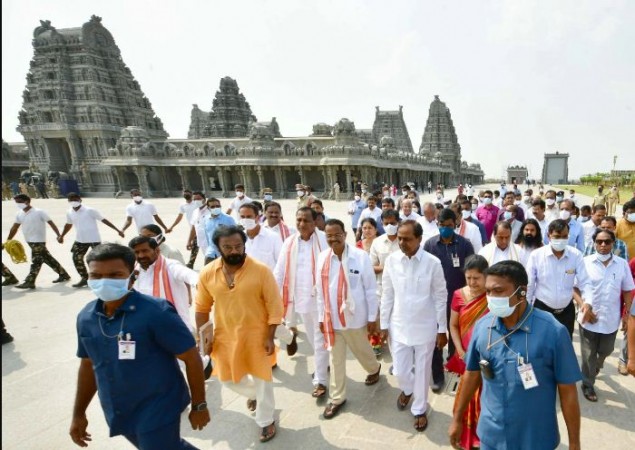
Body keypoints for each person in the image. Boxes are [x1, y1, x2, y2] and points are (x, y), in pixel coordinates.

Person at [69, 243, 209, 449]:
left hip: (157, 407)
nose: (104, 282)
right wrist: (78, 413)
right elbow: (88, 365)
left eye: (115, 275)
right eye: (96, 276)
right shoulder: (87, 317)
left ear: (132, 276)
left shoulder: (156, 312)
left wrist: (199, 405)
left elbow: (191, 358)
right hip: (118, 407)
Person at [449, 260, 582, 450]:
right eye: (488, 291)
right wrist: (457, 418)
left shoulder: (553, 331)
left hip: (535, 438)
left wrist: (574, 444)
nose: (491, 297)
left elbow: (568, 391)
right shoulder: (483, 327)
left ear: (521, 292)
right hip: (492, 436)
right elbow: (472, 374)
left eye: (499, 291)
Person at [195, 226, 282, 442]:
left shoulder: (261, 271)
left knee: (263, 379)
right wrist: (203, 338)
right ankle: (254, 396)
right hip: (225, 336)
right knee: (227, 379)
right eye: (228, 247)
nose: (234, 251)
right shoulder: (207, 273)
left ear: (244, 245)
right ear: (218, 248)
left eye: (238, 246)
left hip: (258, 334)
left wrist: (270, 336)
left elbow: (274, 306)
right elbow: (201, 308)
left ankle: (266, 420)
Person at [380, 220, 448, 432]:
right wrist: (383, 324)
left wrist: (441, 329)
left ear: (419, 239)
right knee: (400, 369)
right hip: (398, 325)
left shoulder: (433, 263)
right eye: (399, 238)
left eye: (407, 239)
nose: (402, 242)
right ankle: (407, 389)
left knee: (423, 370)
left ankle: (419, 409)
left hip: (425, 327)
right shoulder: (391, 261)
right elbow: (387, 294)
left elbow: (440, 297)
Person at [316, 219, 382, 420]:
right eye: (329, 235)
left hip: (355, 319)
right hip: (332, 318)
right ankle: (337, 398)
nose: (333, 239)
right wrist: (321, 317)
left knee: (362, 350)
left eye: (337, 234)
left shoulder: (360, 257)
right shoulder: (322, 258)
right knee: (336, 360)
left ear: (345, 234)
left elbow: (371, 289)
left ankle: (374, 368)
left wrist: (372, 317)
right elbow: (319, 292)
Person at [273, 207, 329, 397]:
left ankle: (320, 380)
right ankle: (324, 364)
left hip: (322, 300)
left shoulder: (324, 239)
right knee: (315, 339)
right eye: (299, 220)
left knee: (319, 338)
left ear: (315, 222)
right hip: (301, 300)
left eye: (306, 220)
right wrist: (273, 296)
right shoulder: (289, 243)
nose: (302, 224)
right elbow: (280, 272)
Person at [577, 229, 634, 402]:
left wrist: (626, 315)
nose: (603, 245)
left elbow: (627, 290)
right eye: (599, 241)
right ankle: (587, 384)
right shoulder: (585, 263)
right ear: (594, 243)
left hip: (610, 320)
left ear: (613, 243)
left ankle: (597, 365)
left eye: (607, 242)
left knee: (607, 350)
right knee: (588, 354)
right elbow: (574, 288)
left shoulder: (622, 264)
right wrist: (583, 307)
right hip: (588, 319)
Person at [423, 208, 475, 392]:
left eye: (450, 226)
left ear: (456, 225)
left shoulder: (465, 245)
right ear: (437, 224)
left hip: (457, 301)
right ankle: (437, 377)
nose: (445, 229)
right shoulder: (429, 245)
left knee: (456, 339)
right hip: (434, 301)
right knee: (436, 338)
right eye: (442, 226)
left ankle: (454, 369)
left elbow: (470, 272)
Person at [447, 255, 489, 450]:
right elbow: (453, 326)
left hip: (487, 357)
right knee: (465, 395)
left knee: (484, 397)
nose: (472, 283)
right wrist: (461, 351)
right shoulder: (458, 295)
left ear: (486, 277)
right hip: (466, 356)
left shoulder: (493, 297)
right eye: (469, 277)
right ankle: (465, 435)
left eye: (477, 278)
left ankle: (482, 436)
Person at [526, 219, 591, 338]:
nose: (561, 240)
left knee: (564, 345)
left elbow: (585, 282)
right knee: (541, 344)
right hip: (542, 310)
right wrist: (525, 309)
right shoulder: (537, 255)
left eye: (564, 236)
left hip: (566, 311)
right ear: (549, 236)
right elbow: (530, 284)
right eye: (557, 236)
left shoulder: (575, 255)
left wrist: (587, 302)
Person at [59, 192, 124, 287]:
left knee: (99, 260)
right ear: (68, 201)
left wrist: (117, 230)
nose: (74, 201)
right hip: (80, 240)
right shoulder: (69, 212)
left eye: (75, 199)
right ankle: (85, 278)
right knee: (76, 258)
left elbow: (103, 220)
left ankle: (104, 277)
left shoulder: (90, 210)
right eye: (71, 199)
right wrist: (62, 235)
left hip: (94, 239)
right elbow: (68, 224)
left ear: (80, 199)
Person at [5, 194, 70, 289]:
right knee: (47, 258)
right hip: (29, 240)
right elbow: (15, 227)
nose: (18, 204)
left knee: (36, 261)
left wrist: (59, 235)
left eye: (19, 202)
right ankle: (63, 274)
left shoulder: (39, 212)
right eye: (17, 202)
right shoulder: (19, 213)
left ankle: (30, 281)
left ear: (27, 201)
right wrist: (8, 240)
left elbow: (51, 223)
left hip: (39, 240)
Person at [369, 210, 401, 356]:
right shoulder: (377, 242)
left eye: (393, 223)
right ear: (382, 223)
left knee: (400, 322)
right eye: (386, 223)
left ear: (398, 222)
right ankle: (392, 353)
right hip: (382, 289)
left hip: (403, 289)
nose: (389, 226)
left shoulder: (404, 239)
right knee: (385, 321)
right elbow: (371, 267)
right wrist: (387, 268)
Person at [238, 203, 282, 270]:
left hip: (267, 279)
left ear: (257, 217)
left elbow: (281, 264)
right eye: (242, 217)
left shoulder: (273, 237)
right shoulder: (238, 238)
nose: (245, 220)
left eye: (249, 216)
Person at [169, 191, 205, 268]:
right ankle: (191, 263)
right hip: (195, 229)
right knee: (195, 246)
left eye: (188, 193)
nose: (197, 200)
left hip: (205, 231)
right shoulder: (183, 206)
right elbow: (180, 217)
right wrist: (172, 226)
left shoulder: (199, 205)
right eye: (184, 193)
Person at [203, 198, 235, 264]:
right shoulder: (206, 219)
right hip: (211, 252)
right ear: (208, 208)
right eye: (212, 207)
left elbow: (235, 235)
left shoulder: (228, 219)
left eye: (217, 206)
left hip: (225, 252)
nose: (215, 208)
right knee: (207, 272)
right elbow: (207, 236)